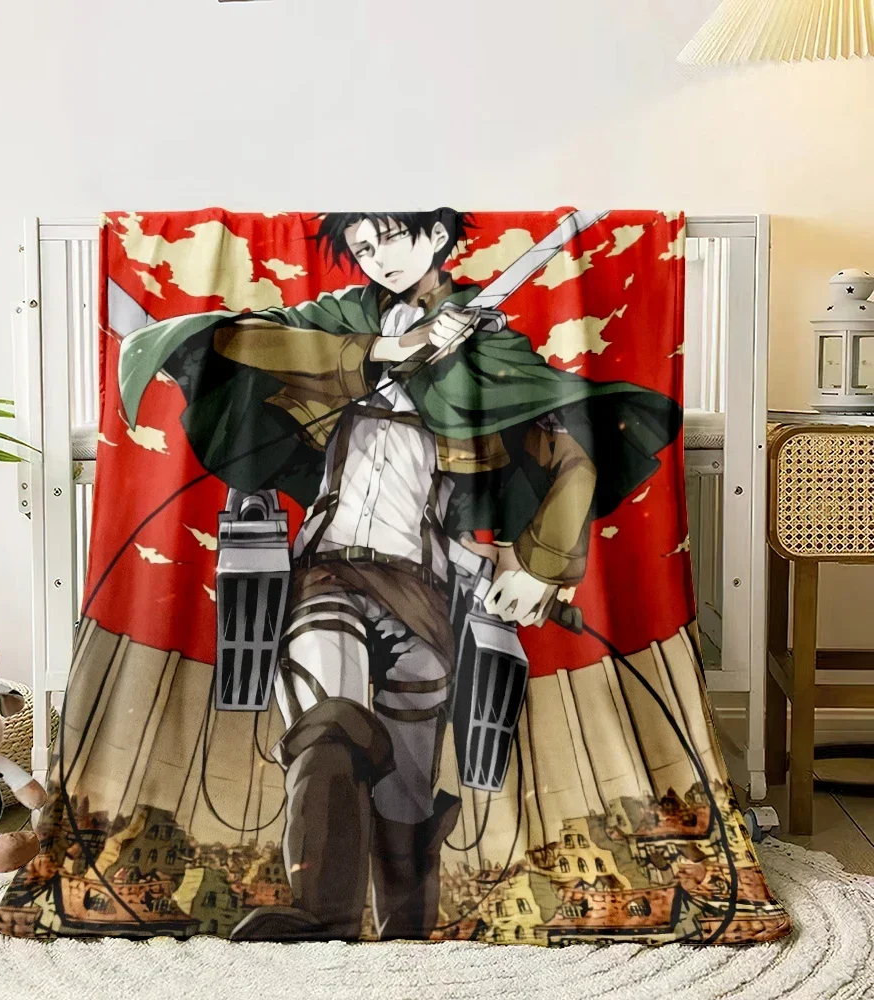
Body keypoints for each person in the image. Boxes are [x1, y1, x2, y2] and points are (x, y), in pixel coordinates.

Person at [118, 209, 681, 941]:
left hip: (427, 589)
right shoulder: (338, 321)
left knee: (409, 784)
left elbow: (575, 444)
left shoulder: (492, 349)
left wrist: (542, 562)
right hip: (329, 569)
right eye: (361, 245)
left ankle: (408, 932)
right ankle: (321, 911)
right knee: (327, 716)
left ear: (437, 237)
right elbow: (231, 339)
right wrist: (387, 347)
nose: (378, 257)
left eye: (391, 236)